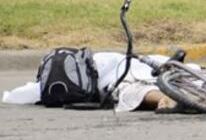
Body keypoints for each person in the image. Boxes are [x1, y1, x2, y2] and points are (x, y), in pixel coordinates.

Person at [3, 52, 188, 113]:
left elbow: (14, 96)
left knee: (128, 88)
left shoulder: (43, 86)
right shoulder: (81, 61)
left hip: (123, 71)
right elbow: (16, 96)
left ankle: (167, 97)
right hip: (128, 69)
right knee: (128, 88)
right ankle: (167, 97)